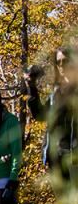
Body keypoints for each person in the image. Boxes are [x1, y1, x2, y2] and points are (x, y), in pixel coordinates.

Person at [25, 47, 77, 181]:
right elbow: (40, 115)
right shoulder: (55, 93)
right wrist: (32, 87)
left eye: (65, 61)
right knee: (62, 201)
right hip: (55, 157)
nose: (61, 66)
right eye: (58, 62)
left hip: (74, 158)